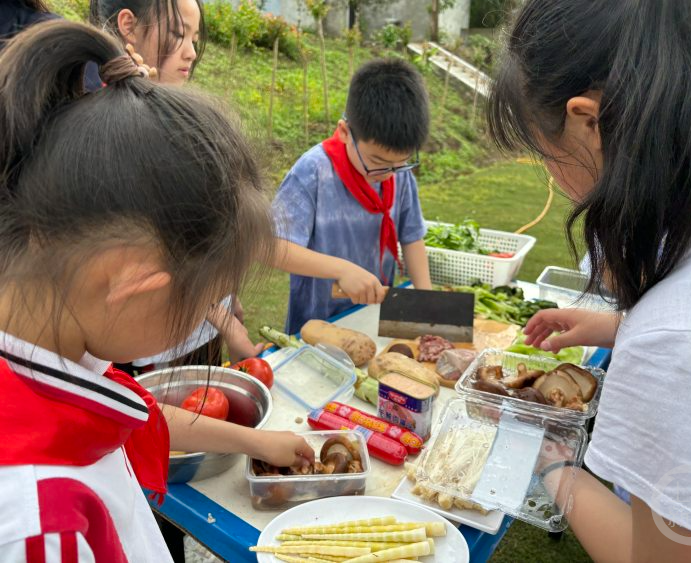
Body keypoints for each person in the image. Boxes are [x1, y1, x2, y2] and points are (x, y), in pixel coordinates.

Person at [0, 21, 313, 560]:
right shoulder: (40, 526)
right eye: (198, 303)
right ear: (133, 283)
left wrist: (258, 442)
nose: (199, 317)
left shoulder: (53, 360)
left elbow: (139, 411)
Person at [489, 0, 691, 561]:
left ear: (589, 122)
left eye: (544, 152)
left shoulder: (682, 340)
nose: (556, 178)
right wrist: (616, 327)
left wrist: (554, 465)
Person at [91, 0, 266, 369]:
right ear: (128, 25)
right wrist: (223, 321)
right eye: (178, 34)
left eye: (195, 38)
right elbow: (159, 260)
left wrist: (225, 301)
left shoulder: (176, 119)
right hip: (147, 351)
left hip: (196, 333)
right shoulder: (107, 137)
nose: (190, 52)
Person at [273, 58, 432, 334]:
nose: (389, 173)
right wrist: (342, 270)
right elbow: (273, 247)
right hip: (319, 328)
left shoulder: (398, 174)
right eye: (378, 161)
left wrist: (427, 302)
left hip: (377, 318)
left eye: (400, 163)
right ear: (345, 132)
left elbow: (412, 236)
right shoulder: (313, 173)